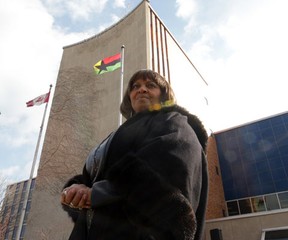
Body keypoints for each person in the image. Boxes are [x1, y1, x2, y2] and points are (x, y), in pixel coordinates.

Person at [61, 69, 208, 240]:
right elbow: (96, 177)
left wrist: (97, 193)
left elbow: (165, 178)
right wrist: (76, 189)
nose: (142, 89)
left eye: (150, 85)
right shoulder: (117, 134)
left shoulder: (174, 124)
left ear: (163, 95)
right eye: (135, 86)